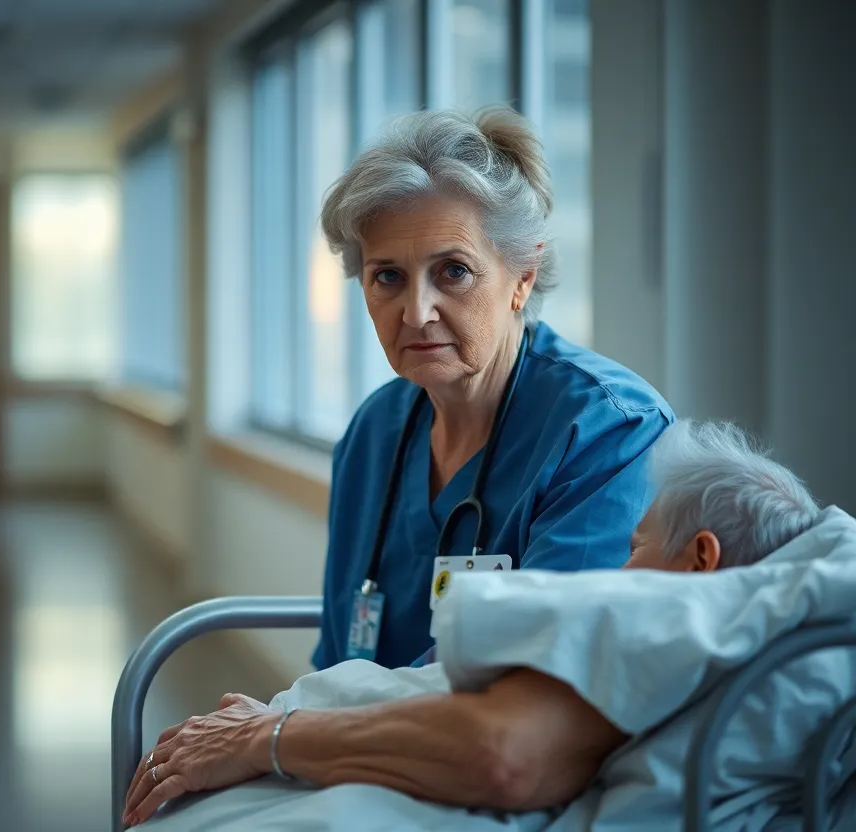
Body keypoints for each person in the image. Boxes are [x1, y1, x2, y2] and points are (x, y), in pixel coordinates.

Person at [122, 420, 821, 827]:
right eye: (384, 274)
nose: (616, 572)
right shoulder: (725, 641)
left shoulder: (677, 637)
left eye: (635, 549)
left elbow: (505, 753)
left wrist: (272, 737)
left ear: (702, 560)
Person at [310, 107, 673, 672]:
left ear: (522, 278)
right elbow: (336, 656)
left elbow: (536, 686)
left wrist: (282, 732)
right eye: (387, 276)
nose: (416, 311)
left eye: (453, 271)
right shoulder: (372, 433)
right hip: (359, 747)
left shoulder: (609, 430)